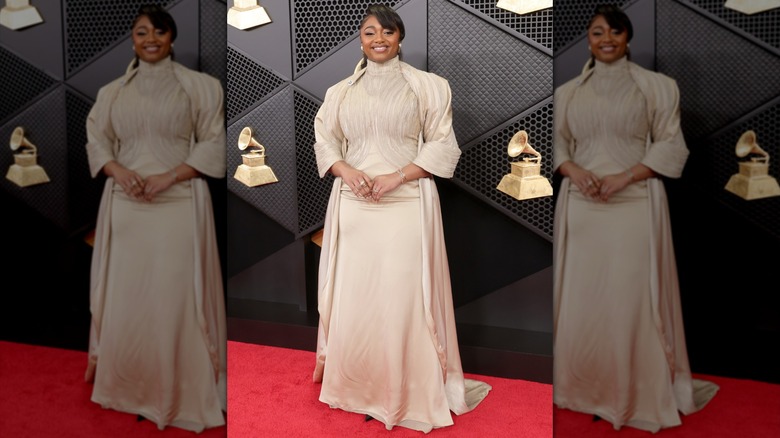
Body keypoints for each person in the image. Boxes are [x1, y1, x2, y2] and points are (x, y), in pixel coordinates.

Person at [311, 4, 491, 433]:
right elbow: (325, 142)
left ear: (399, 38)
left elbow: (442, 146)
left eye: (387, 32)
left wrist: (396, 177)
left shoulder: (429, 87)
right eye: (370, 31)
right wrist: (348, 172)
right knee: (357, 298)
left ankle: (402, 392)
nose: (378, 39)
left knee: (404, 299)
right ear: (360, 38)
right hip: (353, 205)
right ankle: (358, 388)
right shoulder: (338, 92)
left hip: (407, 200)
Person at [552, 4, 718, 433]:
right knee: (586, 302)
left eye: (614, 31)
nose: (606, 39)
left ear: (628, 37)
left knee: (631, 302)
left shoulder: (658, 87)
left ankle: (633, 391)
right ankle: (586, 388)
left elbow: (670, 146)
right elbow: (560, 148)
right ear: (587, 39)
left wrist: (624, 177)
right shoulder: (568, 92)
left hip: (635, 203)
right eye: (597, 32)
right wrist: (577, 172)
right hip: (582, 206)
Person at [83, 4, 226, 433]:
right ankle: (127, 388)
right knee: (129, 300)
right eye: (142, 31)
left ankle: (175, 391)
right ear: (132, 38)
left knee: (175, 300)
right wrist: (120, 172)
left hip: (179, 202)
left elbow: (213, 142)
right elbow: (98, 142)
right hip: (125, 207)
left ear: (171, 38)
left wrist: (168, 177)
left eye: (158, 32)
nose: (150, 39)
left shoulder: (201, 87)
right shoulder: (111, 93)